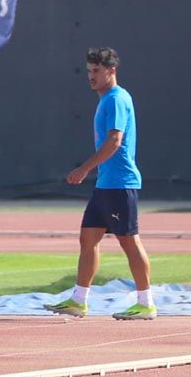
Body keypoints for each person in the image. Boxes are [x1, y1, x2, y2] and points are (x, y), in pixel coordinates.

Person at [46, 48, 153, 320]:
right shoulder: (106, 99)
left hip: (120, 183)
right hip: (106, 184)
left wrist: (84, 168)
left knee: (129, 242)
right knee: (88, 239)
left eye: (97, 71)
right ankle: (79, 300)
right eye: (89, 71)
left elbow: (115, 141)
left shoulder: (116, 99)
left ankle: (146, 303)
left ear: (112, 71)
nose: (91, 77)